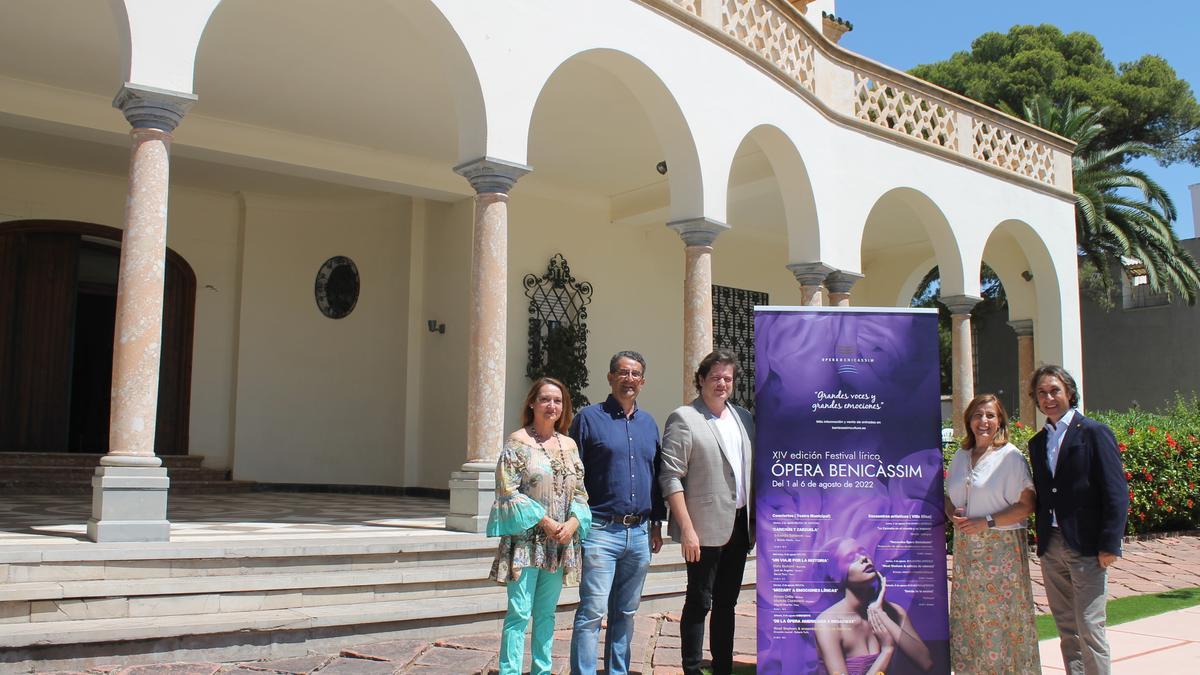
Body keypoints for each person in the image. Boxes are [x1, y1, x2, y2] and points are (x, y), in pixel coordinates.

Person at [569, 351, 666, 675]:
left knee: (626, 612)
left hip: (638, 534)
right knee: (593, 611)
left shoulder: (649, 424)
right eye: (623, 372)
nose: (629, 379)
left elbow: (657, 476)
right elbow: (572, 474)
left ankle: (617, 671)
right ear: (610, 377)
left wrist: (656, 524)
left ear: (643, 381)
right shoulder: (588, 419)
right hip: (600, 530)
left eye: (635, 374)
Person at [487, 377, 592, 675]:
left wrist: (573, 522)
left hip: (559, 541)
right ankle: (509, 671)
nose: (551, 406)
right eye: (545, 399)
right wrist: (544, 521)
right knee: (519, 612)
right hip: (525, 541)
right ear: (532, 403)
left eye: (557, 401)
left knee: (546, 614)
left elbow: (581, 492)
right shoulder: (518, 442)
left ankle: (541, 670)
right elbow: (507, 490)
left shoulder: (569, 445)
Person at [659, 349, 754, 675]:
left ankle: (723, 668)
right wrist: (686, 529)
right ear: (701, 380)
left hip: (739, 527)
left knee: (727, 604)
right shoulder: (685, 418)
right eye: (715, 377)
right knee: (699, 602)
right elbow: (670, 476)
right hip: (702, 531)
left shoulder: (743, 417)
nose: (722, 383)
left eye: (727, 378)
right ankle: (691, 668)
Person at [1028, 365, 1128, 675]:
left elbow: (1116, 490)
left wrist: (1110, 542)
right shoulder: (1037, 442)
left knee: (1089, 627)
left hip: (1087, 545)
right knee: (1066, 628)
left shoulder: (1094, 433)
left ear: (1070, 393)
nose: (1049, 398)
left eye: (1055, 390)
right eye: (1042, 393)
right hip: (1052, 545)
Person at [944, 394, 1040, 673]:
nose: (983, 421)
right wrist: (953, 514)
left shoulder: (1010, 457)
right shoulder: (961, 457)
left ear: (1000, 421)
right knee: (970, 620)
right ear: (968, 420)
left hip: (1001, 551)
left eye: (990, 415)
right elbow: (948, 498)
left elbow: (1027, 504)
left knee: (1000, 623)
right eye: (977, 415)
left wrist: (986, 521)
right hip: (967, 549)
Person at [814, 537, 933, 675]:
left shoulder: (895, 611)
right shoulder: (828, 623)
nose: (863, 559)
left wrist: (881, 615)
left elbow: (927, 663)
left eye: (863, 552)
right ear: (836, 576)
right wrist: (887, 650)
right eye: (851, 558)